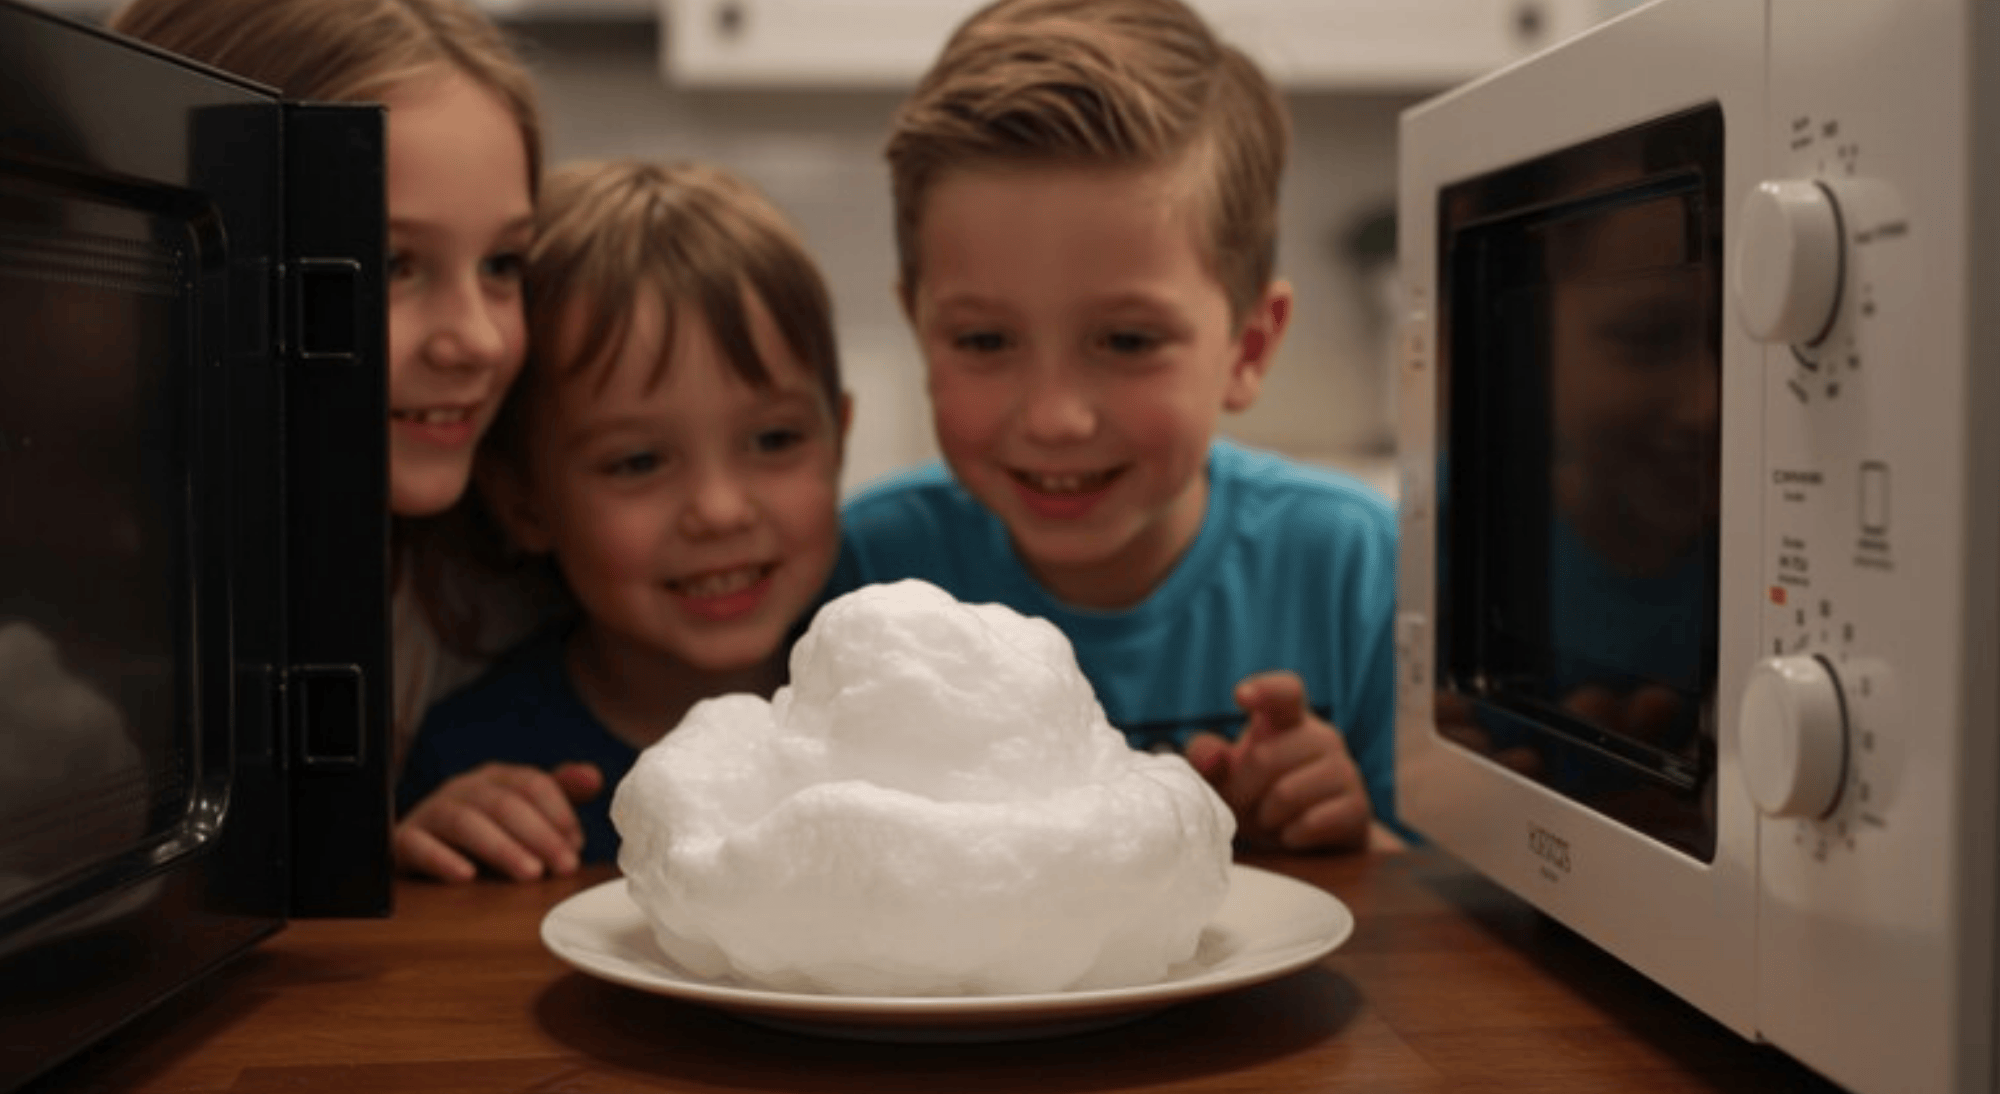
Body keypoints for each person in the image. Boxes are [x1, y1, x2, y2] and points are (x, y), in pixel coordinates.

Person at [827, 0, 1403, 850]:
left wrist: (1343, 833)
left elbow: (1449, 918)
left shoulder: (1351, 566)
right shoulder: (865, 571)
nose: (1056, 418)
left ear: (1248, 345)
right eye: (986, 340)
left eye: (1127, 341)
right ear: (921, 329)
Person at [105, 0, 552, 773]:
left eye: (502, 265)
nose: (477, 339)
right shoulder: (76, 622)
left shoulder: (495, 599)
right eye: (392, 266)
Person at [395, 160, 851, 880]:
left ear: (841, 439)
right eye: (638, 461)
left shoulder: (894, 702)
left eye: (774, 440)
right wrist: (434, 842)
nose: (721, 510)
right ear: (524, 501)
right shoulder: (481, 754)